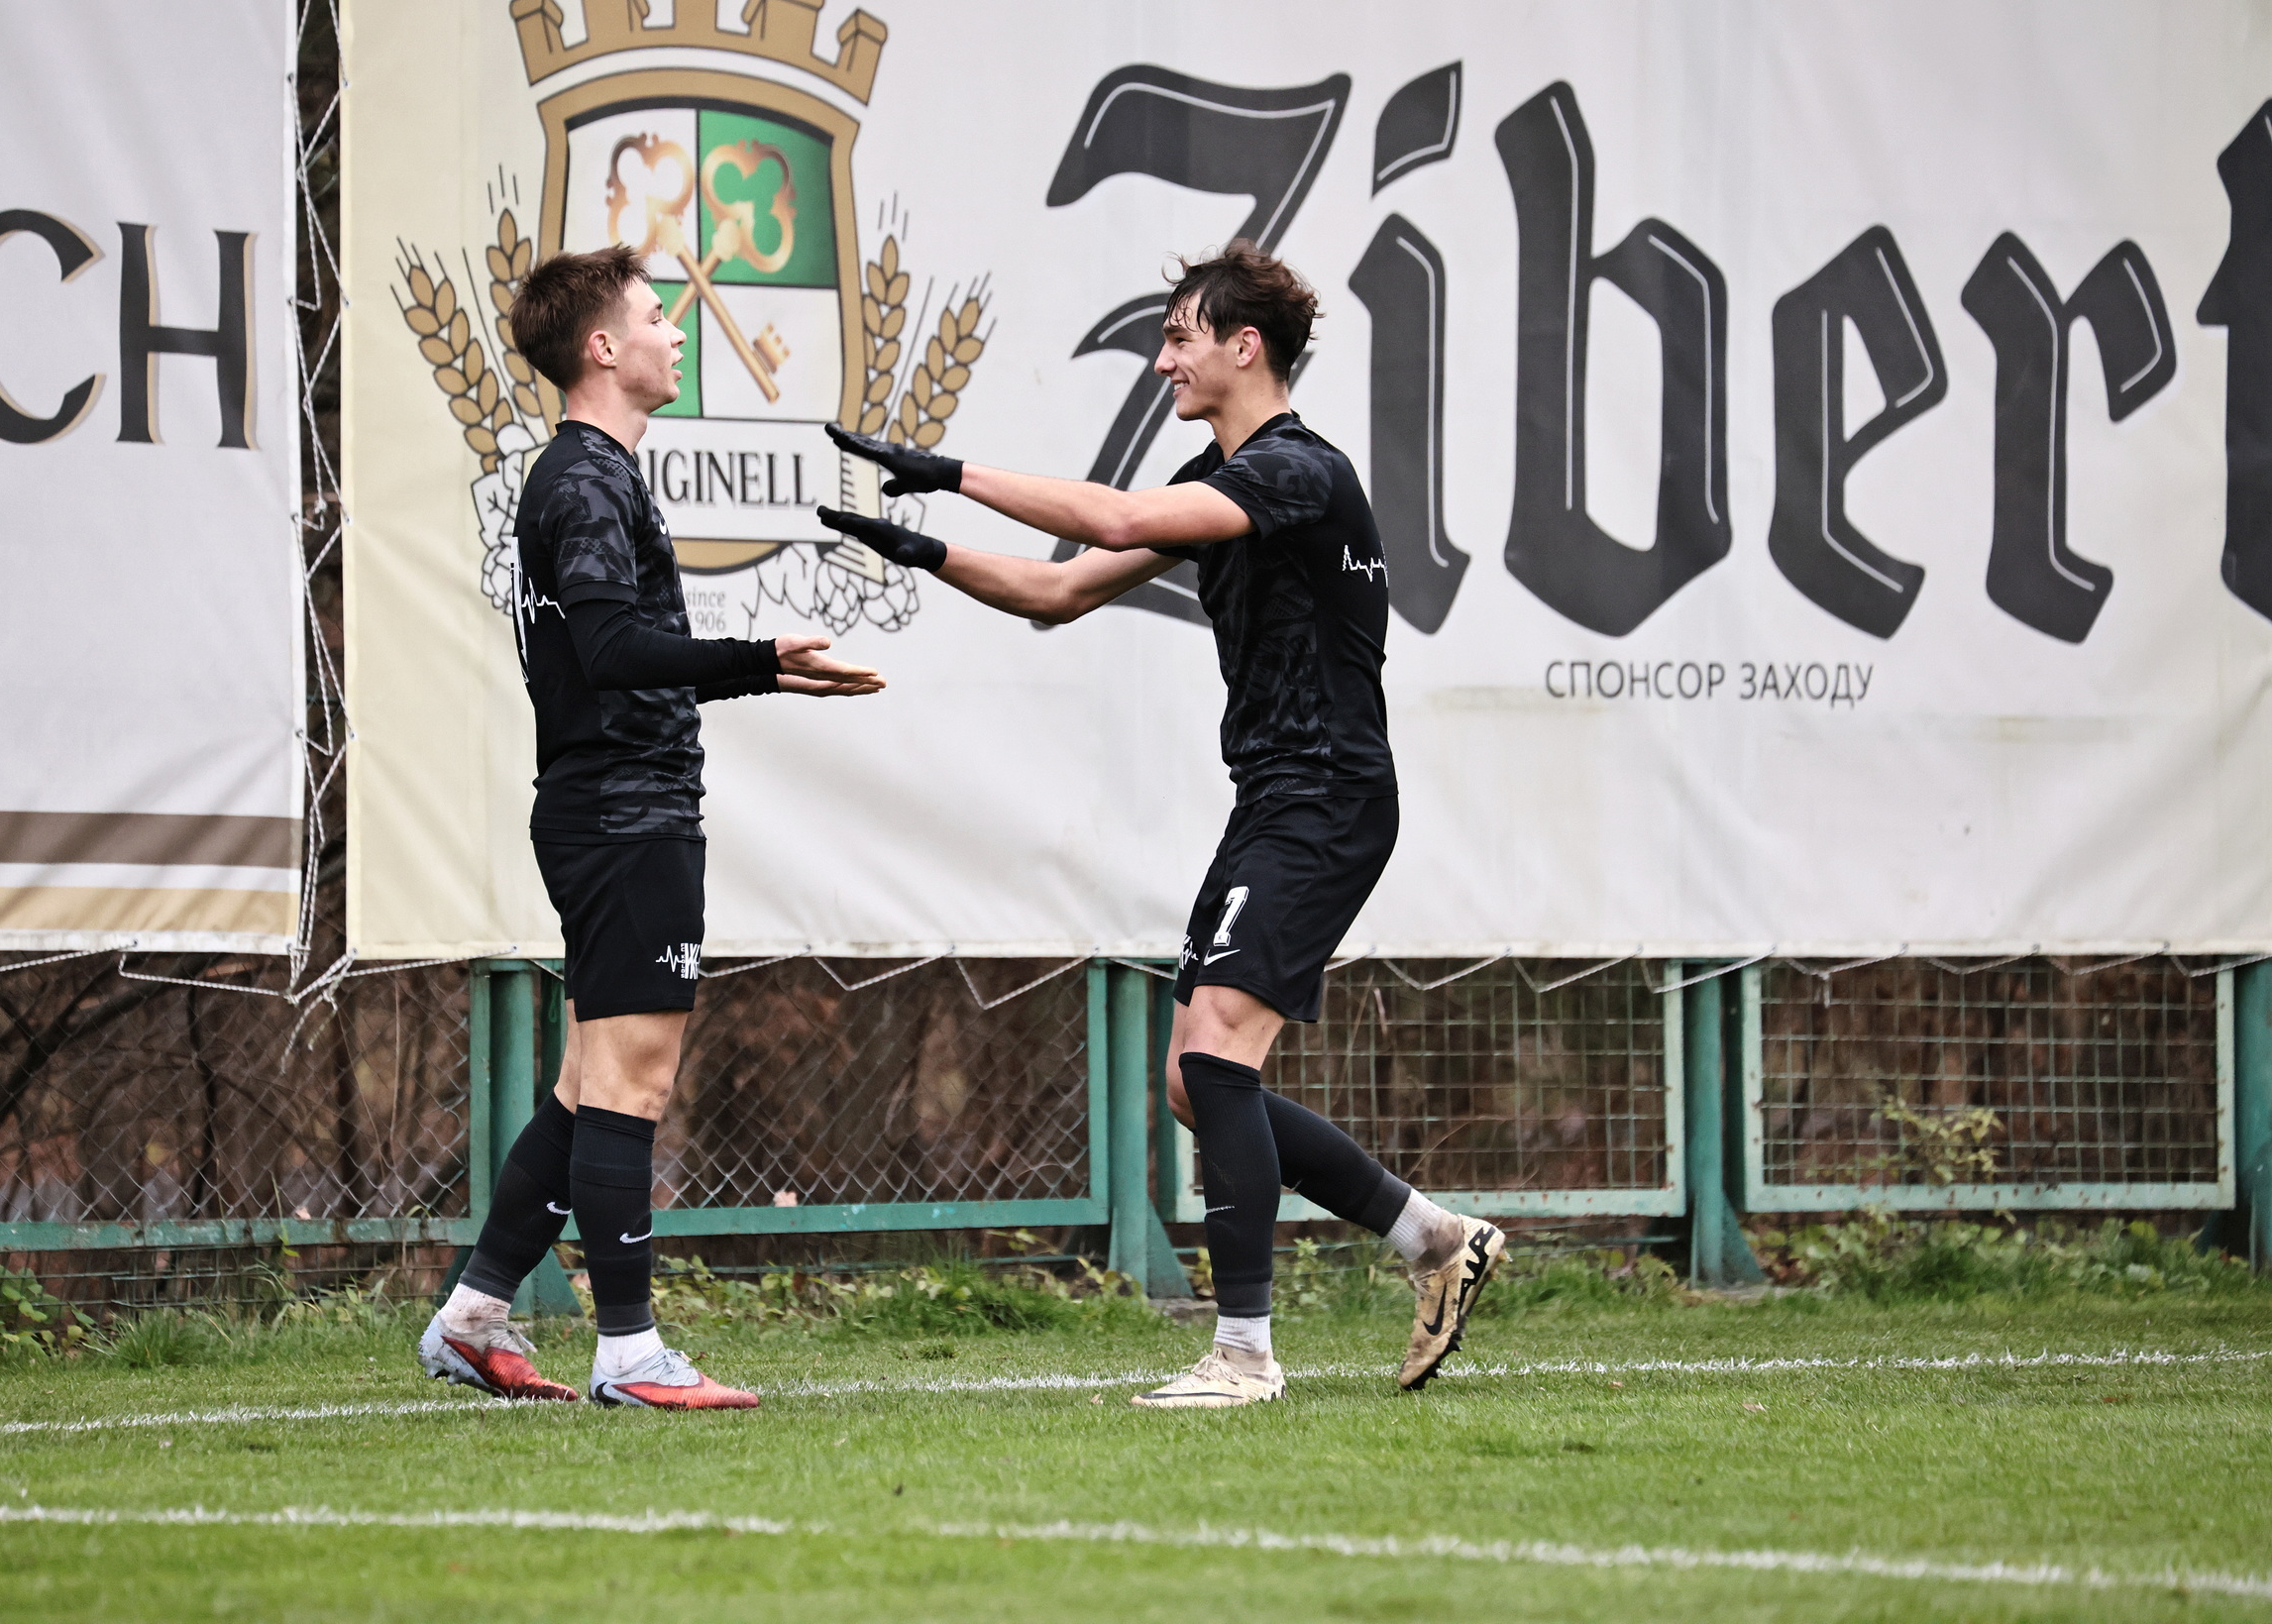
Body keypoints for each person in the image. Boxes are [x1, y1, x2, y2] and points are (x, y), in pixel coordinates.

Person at [817, 241, 1503, 1408]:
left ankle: (1243, 1355)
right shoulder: (1222, 478)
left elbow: (1121, 512)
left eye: (1178, 337)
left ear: (1245, 345)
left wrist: (946, 472)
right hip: (1277, 795)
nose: (1160, 360)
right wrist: (918, 547)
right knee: (1197, 1081)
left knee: (1214, 1055)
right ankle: (1431, 1239)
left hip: (1326, 794)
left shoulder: (1295, 471)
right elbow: (1055, 592)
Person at [420, 244, 884, 1410]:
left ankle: (472, 1319)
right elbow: (612, 651)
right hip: (623, 813)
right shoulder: (582, 480)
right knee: (633, 1081)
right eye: (653, 315)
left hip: (617, 807)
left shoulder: (595, 472)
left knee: (590, 1083)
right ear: (601, 347)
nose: (677, 331)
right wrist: (766, 659)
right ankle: (629, 1354)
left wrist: (761, 668)